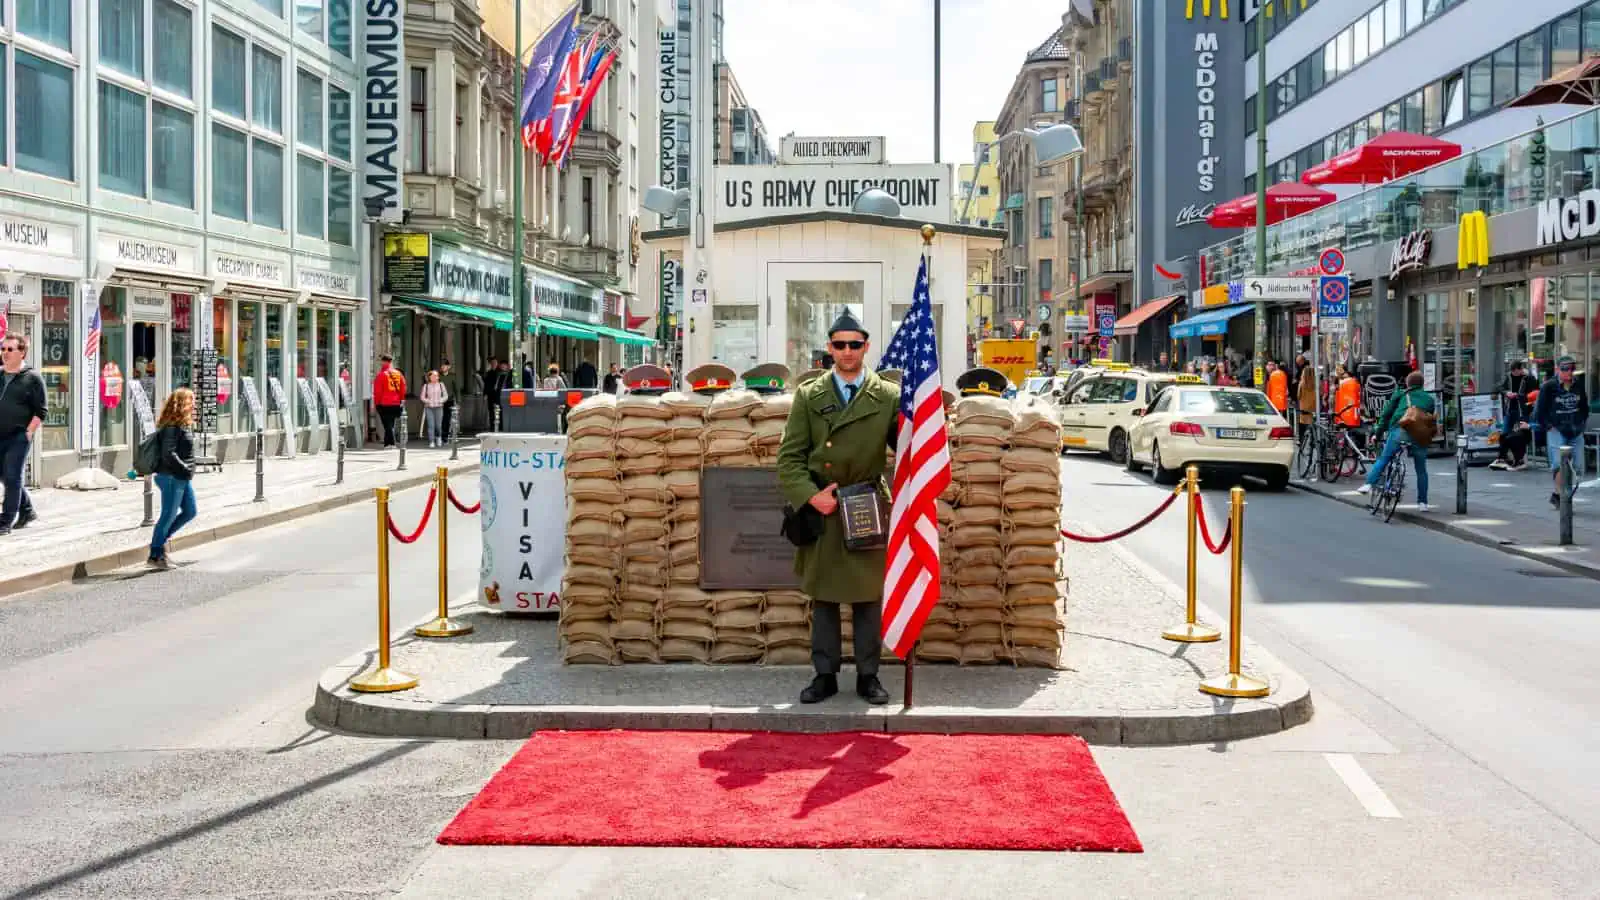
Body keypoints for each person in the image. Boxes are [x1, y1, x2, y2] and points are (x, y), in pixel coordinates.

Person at [775, 310, 897, 706]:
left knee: (866, 597)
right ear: (829, 348)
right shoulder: (810, 396)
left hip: (865, 503)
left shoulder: (887, 397)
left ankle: (868, 676)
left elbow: (910, 449)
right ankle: (824, 675)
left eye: (855, 344)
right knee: (824, 598)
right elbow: (789, 459)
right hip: (825, 505)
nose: (847, 351)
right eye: (840, 344)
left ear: (866, 347)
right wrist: (813, 497)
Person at [1358, 370, 1436, 511]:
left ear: (1407, 383)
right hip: (1419, 435)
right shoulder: (1429, 399)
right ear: (1422, 384)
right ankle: (1422, 503)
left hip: (1401, 431)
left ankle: (1368, 484)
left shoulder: (1400, 394)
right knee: (1421, 469)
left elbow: (1386, 415)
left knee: (1384, 458)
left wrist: (1377, 432)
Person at [147, 388, 198, 570]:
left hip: (180, 477)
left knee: (190, 511)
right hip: (171, 477)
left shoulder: (182, 425)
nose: (194, 404)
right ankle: (155, 554)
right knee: (168, 515)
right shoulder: (171, 427)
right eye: (191, 401)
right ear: (182, 404)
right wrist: (185, 468)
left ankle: (160, 542)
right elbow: (168, 454)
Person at [0, 333, 46, 535]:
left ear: (22, 352)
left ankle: (5, 522)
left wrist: (29, 432)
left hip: (18, 436)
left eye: (10, 349)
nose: (5, 353)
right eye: (3, 349)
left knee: (12, 476)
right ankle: (26, 510)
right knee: (5, 476)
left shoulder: (32, 378)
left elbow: (41, 411)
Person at [1531, 355, 1590, 507]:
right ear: (1558, 369)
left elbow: (1584, 405)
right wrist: (1549, 427)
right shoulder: (1549, 386)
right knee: (1559, 464)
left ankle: (1558, 494)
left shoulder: (1578, 384)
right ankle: (1563, 497)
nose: (1569, 372)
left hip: (1576, 430)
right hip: (1557, 430)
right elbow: (1539, 411)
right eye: (1565, 368)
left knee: (1577, 467)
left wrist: (1582, 422)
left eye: (1572, 368)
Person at [1490, 359, 1538, 471]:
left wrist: (1519, 395)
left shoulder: (1528, 378)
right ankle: (1504, 458)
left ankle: (1520, 459)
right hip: (1509, 409)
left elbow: (1534, 391)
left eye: (1517, 371)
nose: (1515, 373)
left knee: (1519, 435)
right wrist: (1506, 393)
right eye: (1513, 372)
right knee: (1505, 434)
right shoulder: (1508, 377)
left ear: (1520, 369)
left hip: (1522, 411)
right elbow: (1498, 387)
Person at [372, 354, 407, 447]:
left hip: (384, 403)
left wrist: (377, 403)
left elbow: (377, 391)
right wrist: (402, 400)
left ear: (384, 362)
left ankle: (391, 443)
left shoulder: (381, 375)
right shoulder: (398, 374)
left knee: (387, 424)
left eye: (381, 361)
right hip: (396, 402)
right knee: (391, 423)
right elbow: (403, 388)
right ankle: (388, 443)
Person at [420, 370, 448, 447]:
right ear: (429, 377)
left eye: (436, 376)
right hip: (429, 407)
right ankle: (431, 441)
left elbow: (446, 396)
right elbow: (422, 397)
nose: (435, 377)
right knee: (431, 425)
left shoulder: (441, 385)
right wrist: (428, 401)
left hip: (439, 407)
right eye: (433, 376)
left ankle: (438, 438)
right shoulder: (426, 386)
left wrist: (441, 400)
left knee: (438, 425)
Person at [438, 360, 461, 440]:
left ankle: (445, 436)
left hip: (449, 400)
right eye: (442, 365)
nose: (442, 367)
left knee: (446, 418)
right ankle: (438, 435)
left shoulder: (452, 376)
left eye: (444, 365)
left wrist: (458, 401)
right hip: (439, 400)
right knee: (439, 418)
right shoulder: (438, 376)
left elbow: (457, 389)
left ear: (448, 367)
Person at [1296, 354, 1317, 427]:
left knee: (1304, 425)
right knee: (1313, 423)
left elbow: (1298, 395)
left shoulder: (1301, 384)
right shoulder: (1316, 384)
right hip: (1313, 407)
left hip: (1304, 408)